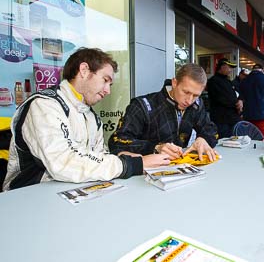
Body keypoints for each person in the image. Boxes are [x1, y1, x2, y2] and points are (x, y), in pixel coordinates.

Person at [3, 48, 170, 191]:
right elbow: (62, 162)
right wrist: (131, 165)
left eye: (110, 85)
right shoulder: (44, 105)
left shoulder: (91, 117)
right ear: (84, 70)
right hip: (28, 196)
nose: (108, 91)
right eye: (105, 80)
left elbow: (96, 158)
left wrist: (122, 155)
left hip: (72, 191)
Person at [108, 63, 218, 161]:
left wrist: (203, 139)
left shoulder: (196, 105)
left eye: (195, 95)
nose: (189, 100)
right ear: (174, 83)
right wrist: (156, 147)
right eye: (186, 92)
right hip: (144, 175)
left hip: (181, 170)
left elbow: (211, 130)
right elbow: (116, 141)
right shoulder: (142, 105)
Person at [207, 58, 242, 138]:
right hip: (221, 120)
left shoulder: (228, 81)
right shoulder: (213, 81)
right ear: (222, 67)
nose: (230, 70)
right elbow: (221, 99)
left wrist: (240, 101)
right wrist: (236, 104)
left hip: (233, 118)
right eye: (228, 67)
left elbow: (236, 94)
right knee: (224, 143)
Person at [240, 63, 264, 138]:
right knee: (261, 137)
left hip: (247, 115)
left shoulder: (244, 80)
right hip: (261, 115)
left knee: (248, 138)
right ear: (262, 70)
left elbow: (241, 97)